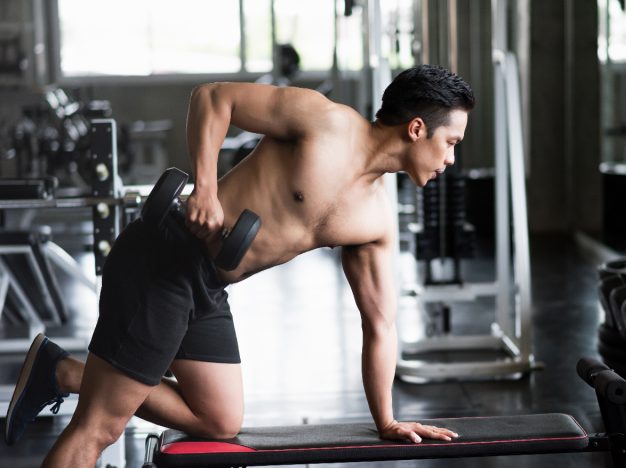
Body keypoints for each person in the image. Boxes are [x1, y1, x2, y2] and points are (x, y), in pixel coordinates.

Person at [4, 64, 474, 467]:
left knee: (219, 419)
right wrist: (205, 188)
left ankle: (64, 371)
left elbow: (380, 325)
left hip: (208, 285)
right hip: (165, 255)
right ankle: (76, 381)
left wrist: (387, 421)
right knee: (100, 427)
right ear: (416, 128)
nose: (451, 159)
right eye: (450, 142)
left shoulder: (374, 221)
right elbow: (212, 99)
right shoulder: (324, 122)